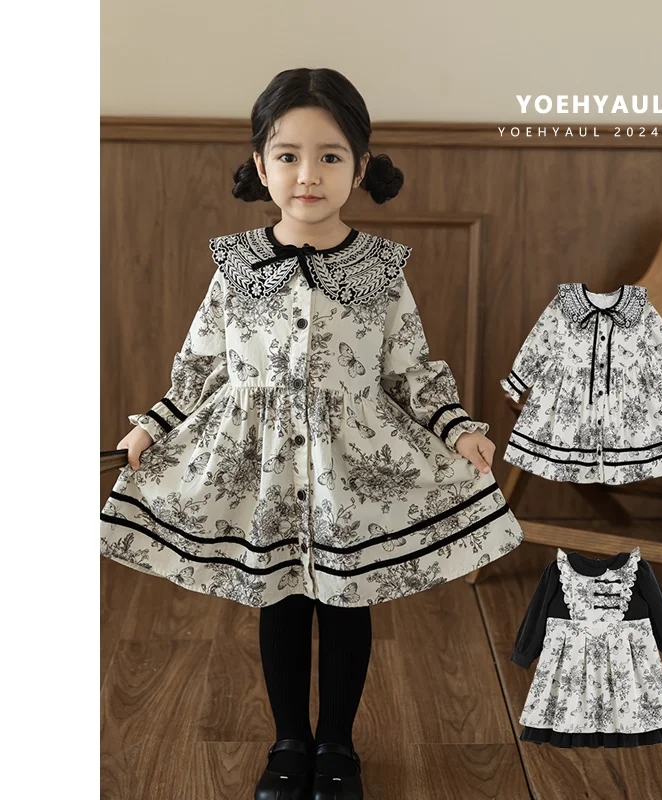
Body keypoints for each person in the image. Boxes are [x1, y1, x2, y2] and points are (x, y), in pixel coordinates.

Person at [100, 67, 525, 800]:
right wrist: (152, 429)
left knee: (345, 604)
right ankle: (289, 742)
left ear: (360, 167)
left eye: (330, 156)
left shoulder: (382, 270)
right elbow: (201, 367)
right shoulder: (235, 267)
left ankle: (338, 746)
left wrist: (458, 430)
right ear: (261, 165)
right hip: (261, 470)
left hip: (350, 467)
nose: (308, 175)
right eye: (288, 155)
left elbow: (410, 370)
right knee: (282, 605)